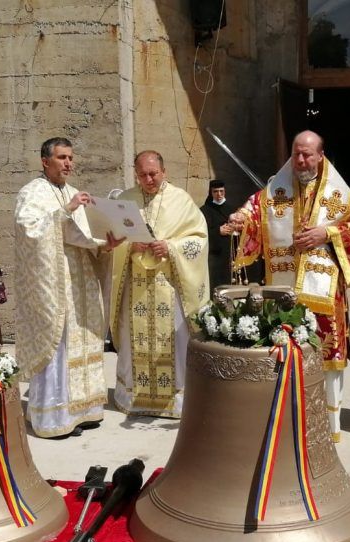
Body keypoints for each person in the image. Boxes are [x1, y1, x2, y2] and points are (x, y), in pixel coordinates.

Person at [229, 130, 350, 442]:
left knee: (326, 352)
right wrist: (240, 219)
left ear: (321, 156)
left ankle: (327, 424)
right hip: (286, 289)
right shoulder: (277, 188)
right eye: (296, 153)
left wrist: (327, 234)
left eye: (308, 154)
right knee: (284, 348)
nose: (302, 160)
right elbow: (254, 208)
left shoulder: (340, 194)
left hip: (324, 291)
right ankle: (285, 416)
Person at [15, 137, 119, 438]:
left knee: (82, 341)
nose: (68, 163)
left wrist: (106, 245)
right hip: (53, 285)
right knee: (59, 345)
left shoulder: (75, 192)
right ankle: (55, 415)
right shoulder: (31, 193)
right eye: (61, 157)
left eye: (70, 157)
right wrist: (65, 211)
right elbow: (29, 230)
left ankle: (83, 410)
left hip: (81, 281)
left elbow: (85, 236)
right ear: (45, 161)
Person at [110, 150, 208, 418]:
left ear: (164, 172)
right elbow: (112, 244)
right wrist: (130, 246)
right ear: (135, 174)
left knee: (174, 341)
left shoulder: (181, 200)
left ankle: (175, 401)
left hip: (169, 285)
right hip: (136, 288)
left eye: (153, 173)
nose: (149, 179)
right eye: (143, 174)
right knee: (134, 340)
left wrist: (172, 247)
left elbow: (199, 239)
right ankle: (134, 397)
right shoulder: (125, 201)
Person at [201, 179, 237, 288]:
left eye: (221, 191)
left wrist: (235, 228)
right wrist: (218, 231)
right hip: (214, 255)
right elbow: (201, 232)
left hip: (230, 252)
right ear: (211, 193)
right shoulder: (205, 210)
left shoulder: (233, 209)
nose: (219, 194)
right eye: (215, 191)